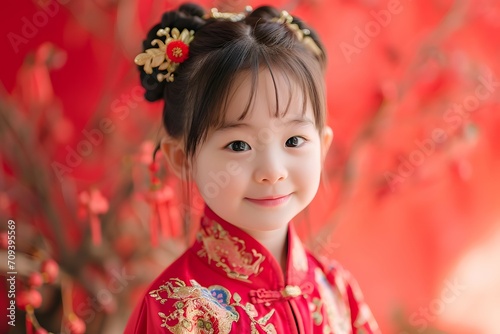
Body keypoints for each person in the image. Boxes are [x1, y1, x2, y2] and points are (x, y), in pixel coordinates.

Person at [125, 3, 379, 333]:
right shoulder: (176, 310)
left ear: (323, 146)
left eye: (293, 141)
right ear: (183, 157)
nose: (272, 171)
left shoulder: (335, 289)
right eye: (238, 145)